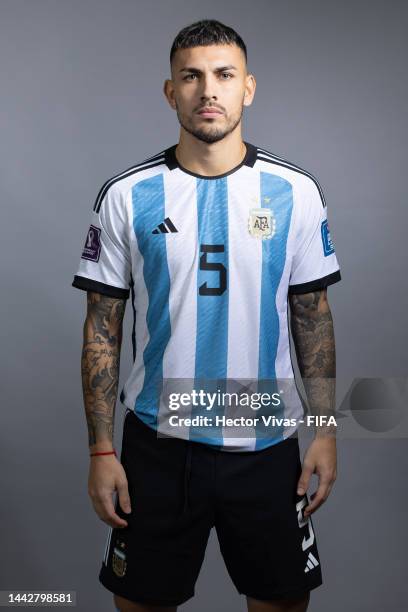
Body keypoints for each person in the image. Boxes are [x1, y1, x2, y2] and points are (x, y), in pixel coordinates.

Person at [72, 19, 341, 612]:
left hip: (267, 444)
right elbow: (102, 329)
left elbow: (313, 317)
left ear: (248, 87)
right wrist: (100, 450)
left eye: (223, 75)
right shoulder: (127, 194)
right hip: (159, 447)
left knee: (280, 604)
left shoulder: (296, 191)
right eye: (191, 77)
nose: (207, 90)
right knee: (141, 604)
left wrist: (325, 429)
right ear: (171, 91)